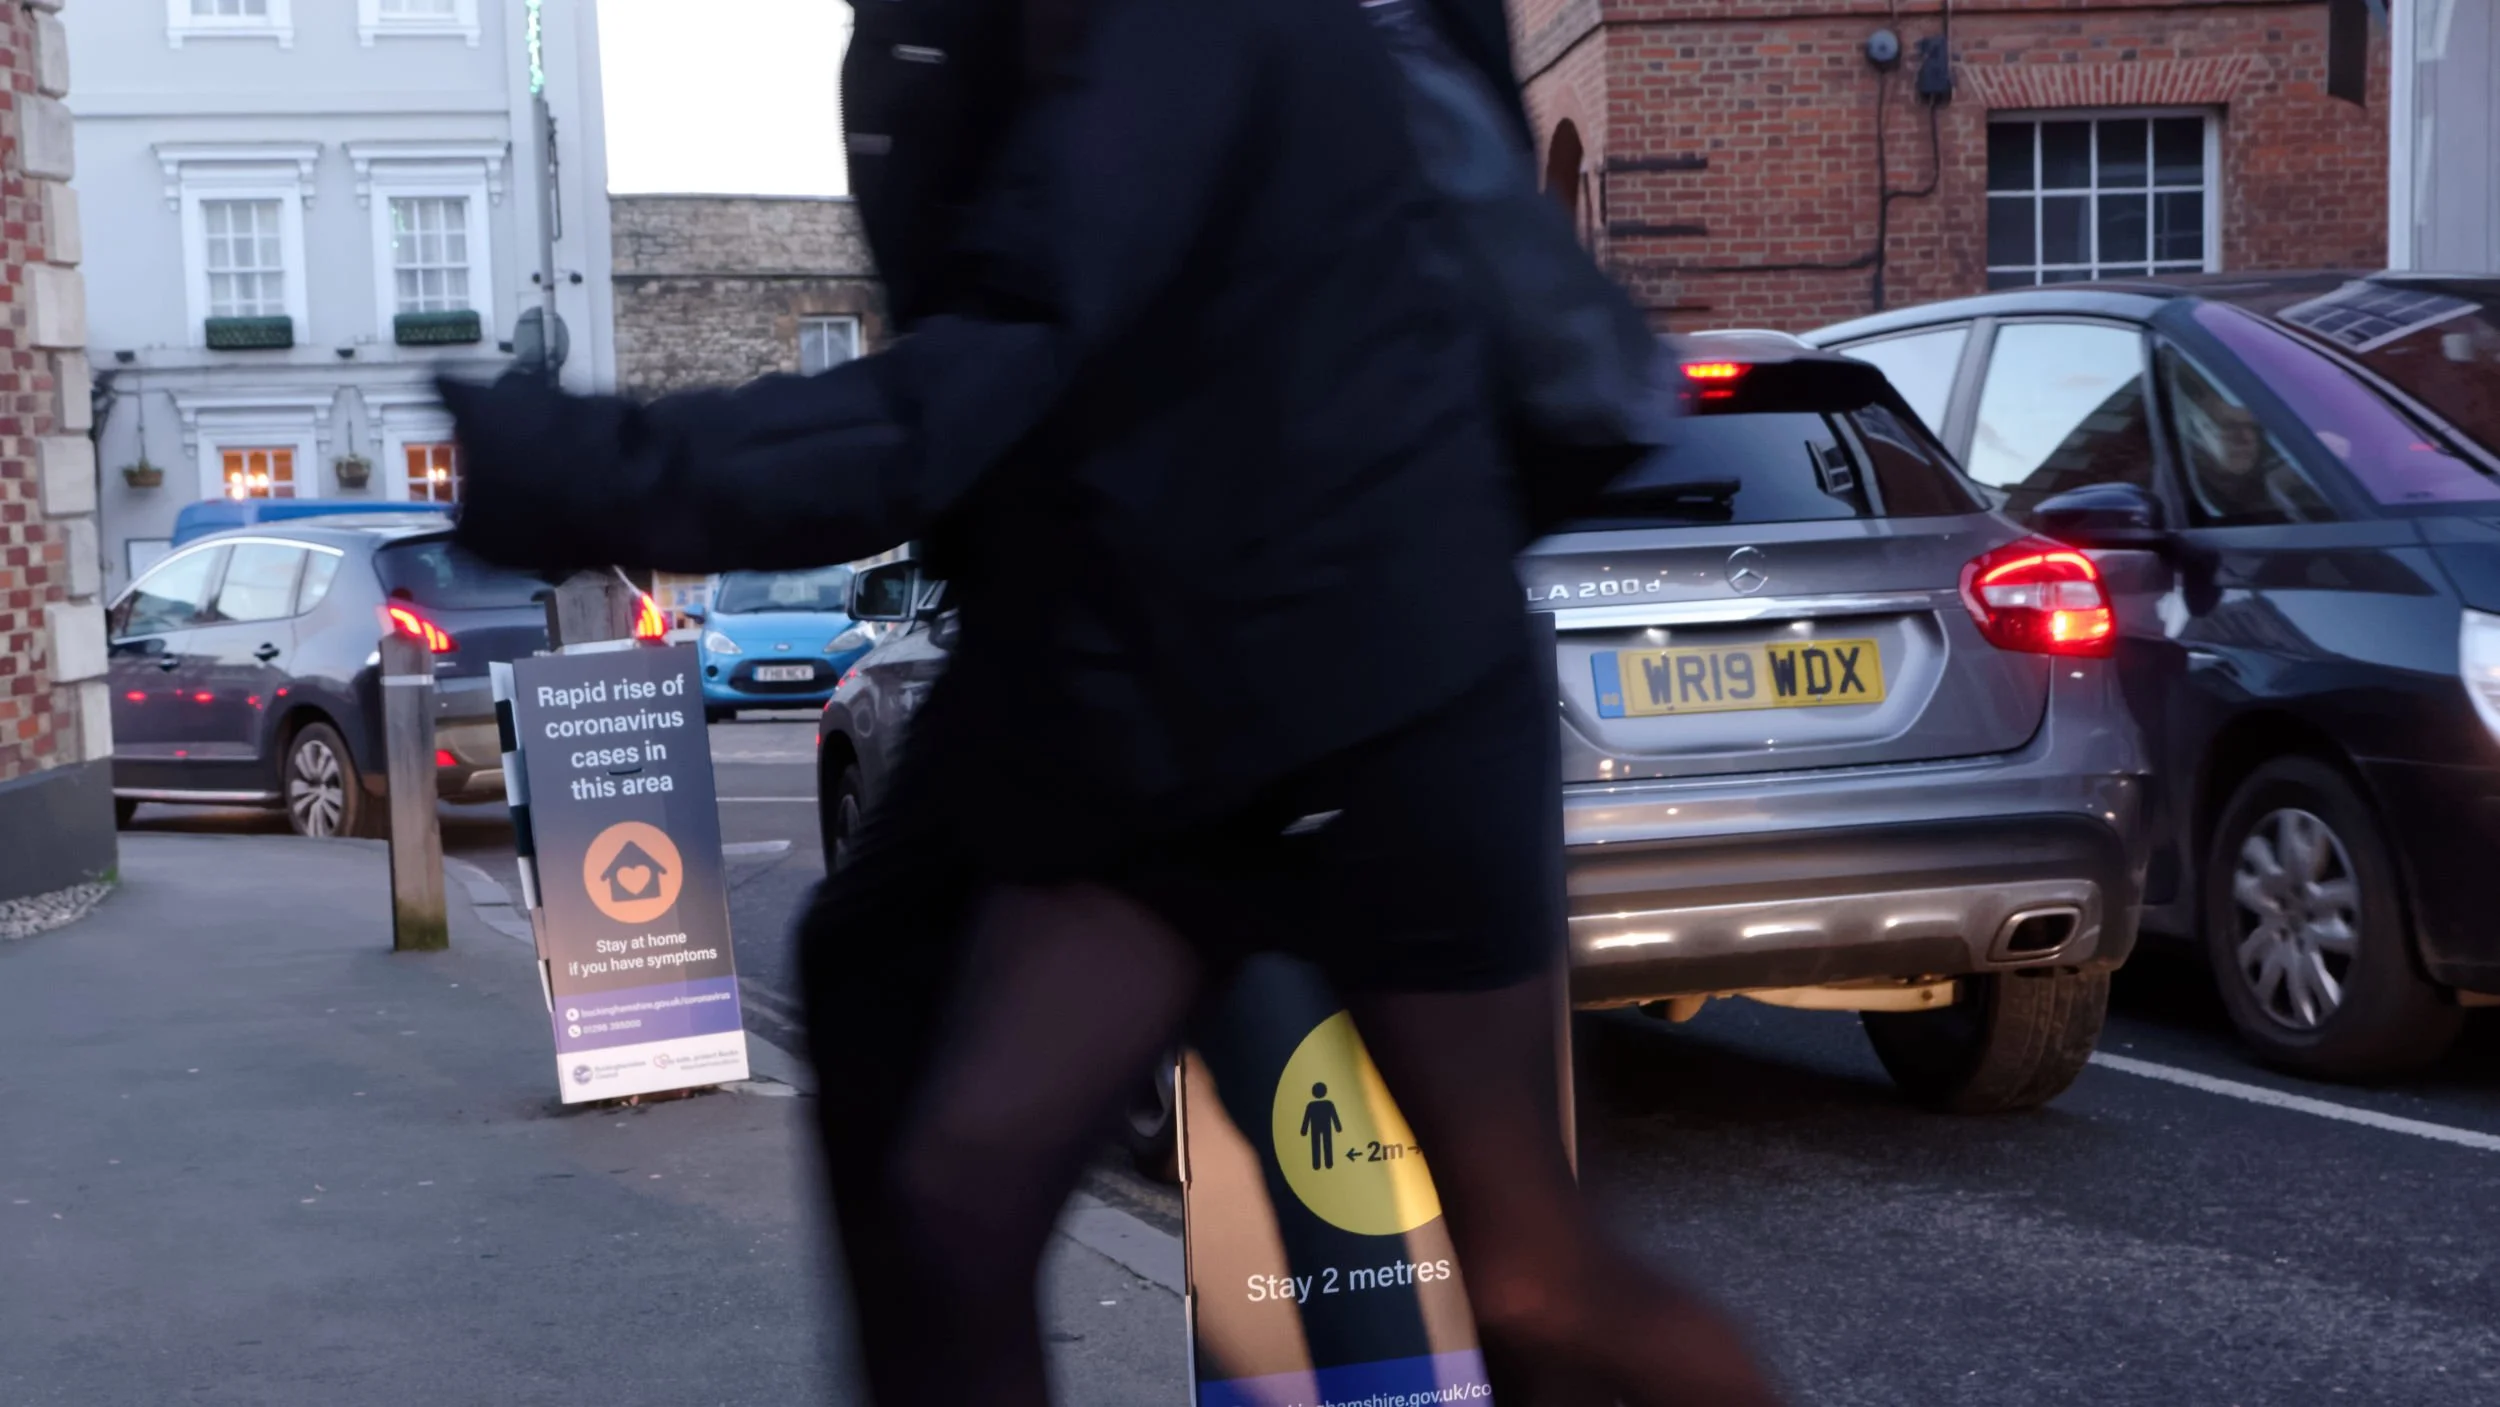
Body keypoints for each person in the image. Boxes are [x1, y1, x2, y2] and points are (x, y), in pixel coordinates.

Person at [437, 0, 1781, 1403]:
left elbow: (1013, 350)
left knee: (1533, 1284)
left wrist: (592, 469)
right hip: (1149, 690)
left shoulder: (1173, 24)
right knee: (947, 1160)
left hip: (1372, 689)